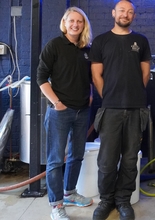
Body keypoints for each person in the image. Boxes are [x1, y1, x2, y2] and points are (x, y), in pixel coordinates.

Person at [89, 1, 151, 220]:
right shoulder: (101, 41)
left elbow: (145, 74)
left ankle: (123, 200)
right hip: (110, 110)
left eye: (130, 11)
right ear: (113, 13)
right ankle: (106, 200)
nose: (126, 14)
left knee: (129, 159)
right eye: (122, 10)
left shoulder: (141, 41)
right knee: (106, 161)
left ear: (134, 16)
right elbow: (96, 75)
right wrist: (110, 96)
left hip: (136, 110)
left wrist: (133, 94)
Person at [36, 6, 93, 220]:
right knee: (55, 160)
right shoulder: (54, 46)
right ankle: (56, 205)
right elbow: (41, 78)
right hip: (60, 112)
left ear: (83, 24)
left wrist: (90, 94)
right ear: (65, 23)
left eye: (79, 21)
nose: (75, 25)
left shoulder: (87, 48)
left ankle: (69, 193)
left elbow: (89, 76)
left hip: (82, 111)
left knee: (77, 156)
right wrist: (57, 103)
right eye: (72, 21)